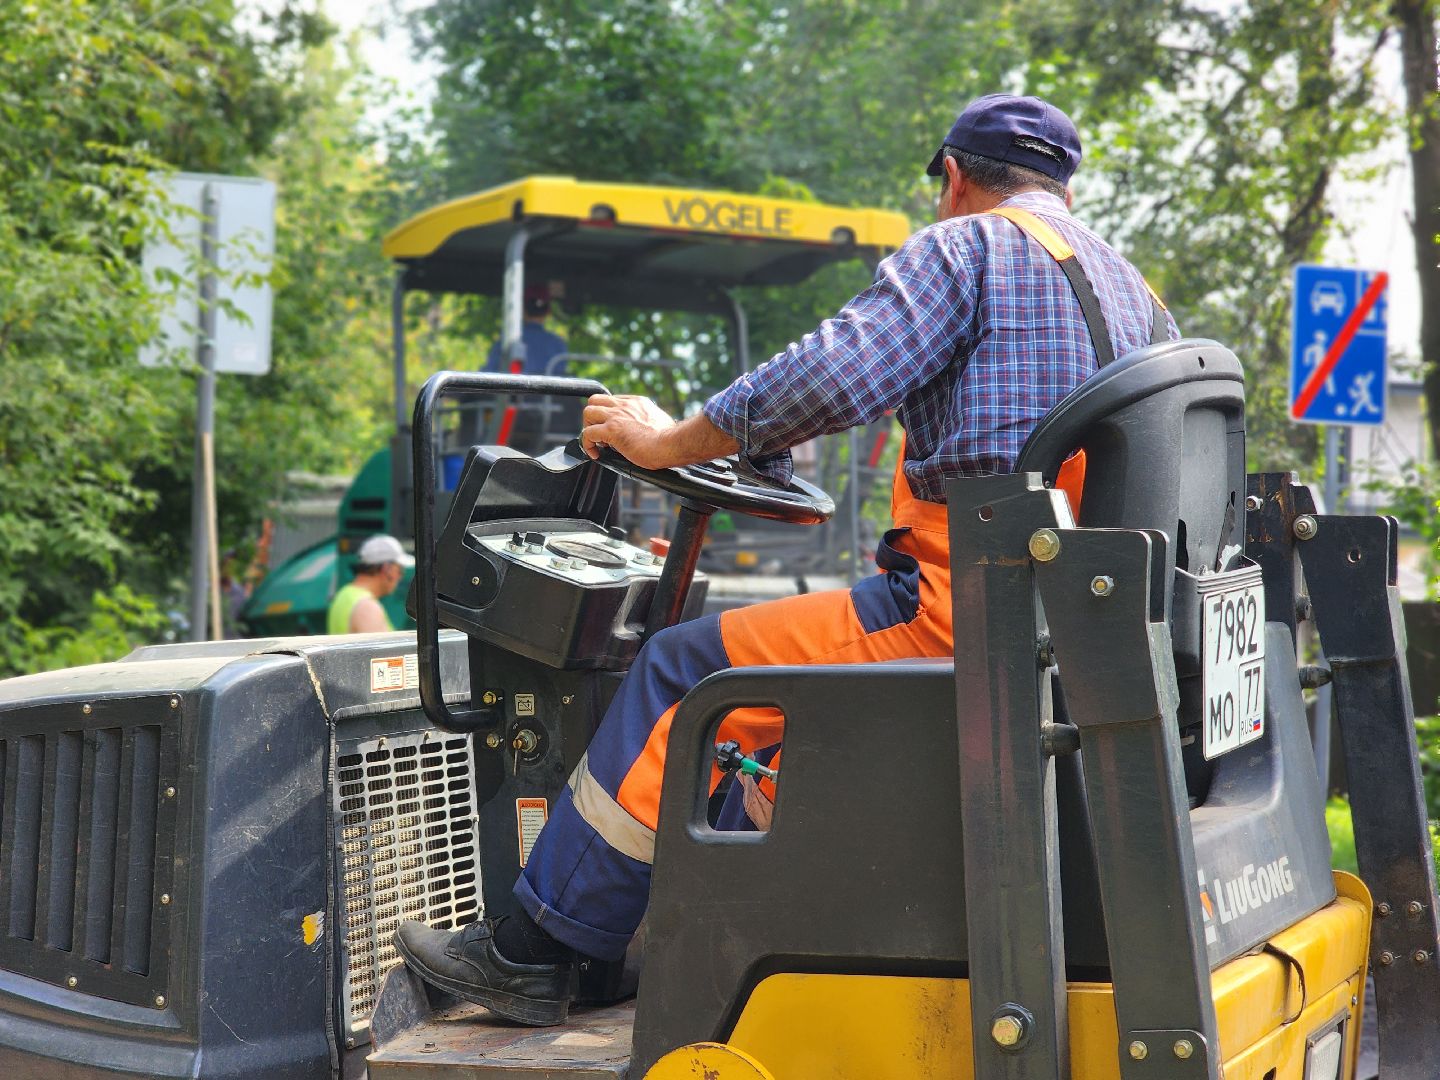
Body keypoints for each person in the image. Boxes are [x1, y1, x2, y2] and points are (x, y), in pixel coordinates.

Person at [395, 93, 1179, 1025]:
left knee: (686, 669)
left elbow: (829, 375)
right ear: (1064, 182)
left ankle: (536, 949)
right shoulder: (1139, 292)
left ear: (955, 178)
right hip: (1077, 623)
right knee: (743, 683)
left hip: (966, 613)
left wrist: (665, 441)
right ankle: (683, 937)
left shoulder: (965, 247)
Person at [326, 534, 413, 634]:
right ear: (386, 568)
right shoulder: (367, 608)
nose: (400, 576)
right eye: (400, 570)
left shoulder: (342, 595)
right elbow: (380, 649)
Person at [486, 284, 568, 377]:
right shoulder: (558, 344)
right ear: (548, 312)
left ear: (521, 309)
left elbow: (489, 373)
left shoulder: (507, 341)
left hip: (514, 391)